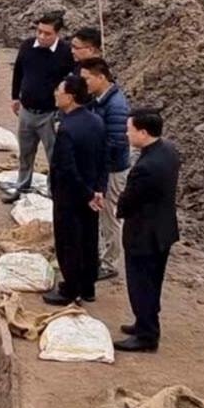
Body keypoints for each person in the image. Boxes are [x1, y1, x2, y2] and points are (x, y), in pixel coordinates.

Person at [115, 109, 181, 352]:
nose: (126, 133)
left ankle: (146, 336)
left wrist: (118, 209)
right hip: (162, 229)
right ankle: (144, 322)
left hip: (144, 232)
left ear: (143, 132)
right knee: (153, 281)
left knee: (141, 283)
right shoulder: (169, 151)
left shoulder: (147, 166)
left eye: (129, 129)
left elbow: (130, 199)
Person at [43, 75, 107, 306]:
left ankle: (70, 289)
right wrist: (98, 190)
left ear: (70, 97)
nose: (55, 94)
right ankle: (88, 286)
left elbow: (67, 168)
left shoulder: (67, 128)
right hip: (92, 194)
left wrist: (86, 193)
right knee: (89, 240)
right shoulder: (96, 121)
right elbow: (103, 159)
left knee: (69, 242)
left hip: (71, 196)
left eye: (59, 91)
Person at [5, 13, 74, 203]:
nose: (42, 37)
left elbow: (74, 81)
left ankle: (54, 193)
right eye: (39, 32)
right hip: (27, 111)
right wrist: (14, 97)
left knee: (54, 156)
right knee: (25, 153)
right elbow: (18, 71)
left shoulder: (65, 53)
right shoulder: (28, 46)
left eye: (47, 34)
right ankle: (21, 186)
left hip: (50, 114)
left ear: (57, 34)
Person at [77, 57, 131, 281]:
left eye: (86, 79)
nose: (83, 84)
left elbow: (115, 143)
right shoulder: (98, 99)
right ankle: (103, 254)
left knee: (110, 216)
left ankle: (110, 263)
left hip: (112, 169)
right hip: (102, 167)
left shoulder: (116, 106)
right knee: (102, 214)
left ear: (101, 77)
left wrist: (99, 173)